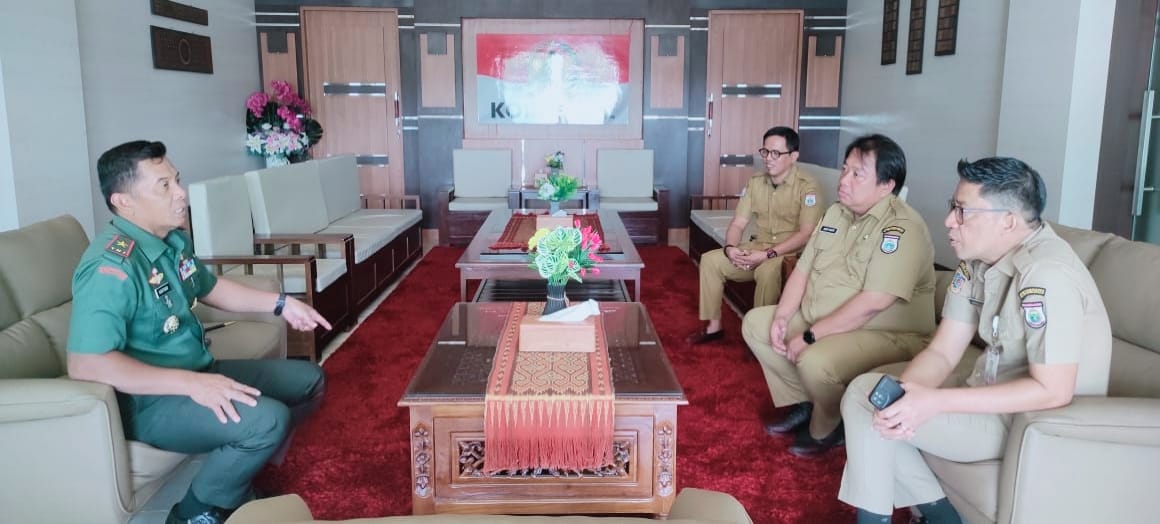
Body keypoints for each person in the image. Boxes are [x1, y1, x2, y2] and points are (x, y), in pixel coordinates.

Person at [66, 141, 332, 524]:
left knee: (310, 381)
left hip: (197, 371)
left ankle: (237, 479)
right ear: (123, 201)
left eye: (177, 180)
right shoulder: (111, 267)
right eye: (164, 186)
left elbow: (210, 288)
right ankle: (194, 513)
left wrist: (281, 303)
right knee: (269, 420)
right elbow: (86, 364)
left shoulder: (172, 241)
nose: (181, 193)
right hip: (147, 402)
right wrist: (191, 384)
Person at [837, 157, 1112, 524]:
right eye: (953, 207)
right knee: (881, 404)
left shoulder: (1045, 275)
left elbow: (1054, 391)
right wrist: (906, 397)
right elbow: (942, 351)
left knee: (862, 397)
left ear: (1008, 221)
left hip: (1028, 424)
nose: (949, 221)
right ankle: (943, 518)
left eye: (963, 211)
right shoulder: (976, 262)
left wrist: (934, 401)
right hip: (985, 398)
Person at [741, 134, 936, 456]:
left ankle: (829, 424)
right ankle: (807, 401)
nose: (843, 180)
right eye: (845, 169)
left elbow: (873, 303)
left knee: (816, 360)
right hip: (825, 320)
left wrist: (810, 336)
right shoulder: (836, 212)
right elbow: (802, 270)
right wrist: (782, 316)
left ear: (886, 185)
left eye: (857, 174)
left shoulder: (902, 228)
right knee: (756, 325)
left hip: (884, 332)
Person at [689, 126, 825, 344]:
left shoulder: (807, 186)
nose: (768, 158)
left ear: (793, 156)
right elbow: (738, 223)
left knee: (767, 272)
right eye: (765, 152)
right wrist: (731, 248)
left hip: (789, 253)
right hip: (758, 246)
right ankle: (714, 327)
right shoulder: (756, 182)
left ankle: (759, 336)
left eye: (776, 153)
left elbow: (806, 234)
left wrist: (767, 255)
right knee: (710, 261)